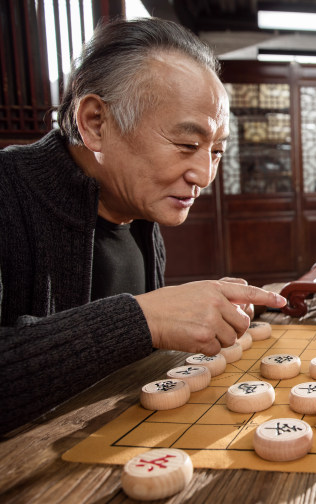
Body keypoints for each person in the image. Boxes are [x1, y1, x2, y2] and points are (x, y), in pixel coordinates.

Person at [0, 18, 286, 436]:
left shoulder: (138, 214)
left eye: (217, 151)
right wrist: (143, 319)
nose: (204, 175)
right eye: (187, 145)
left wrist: (187, 318)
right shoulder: (8, 194)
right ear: (96, 122)